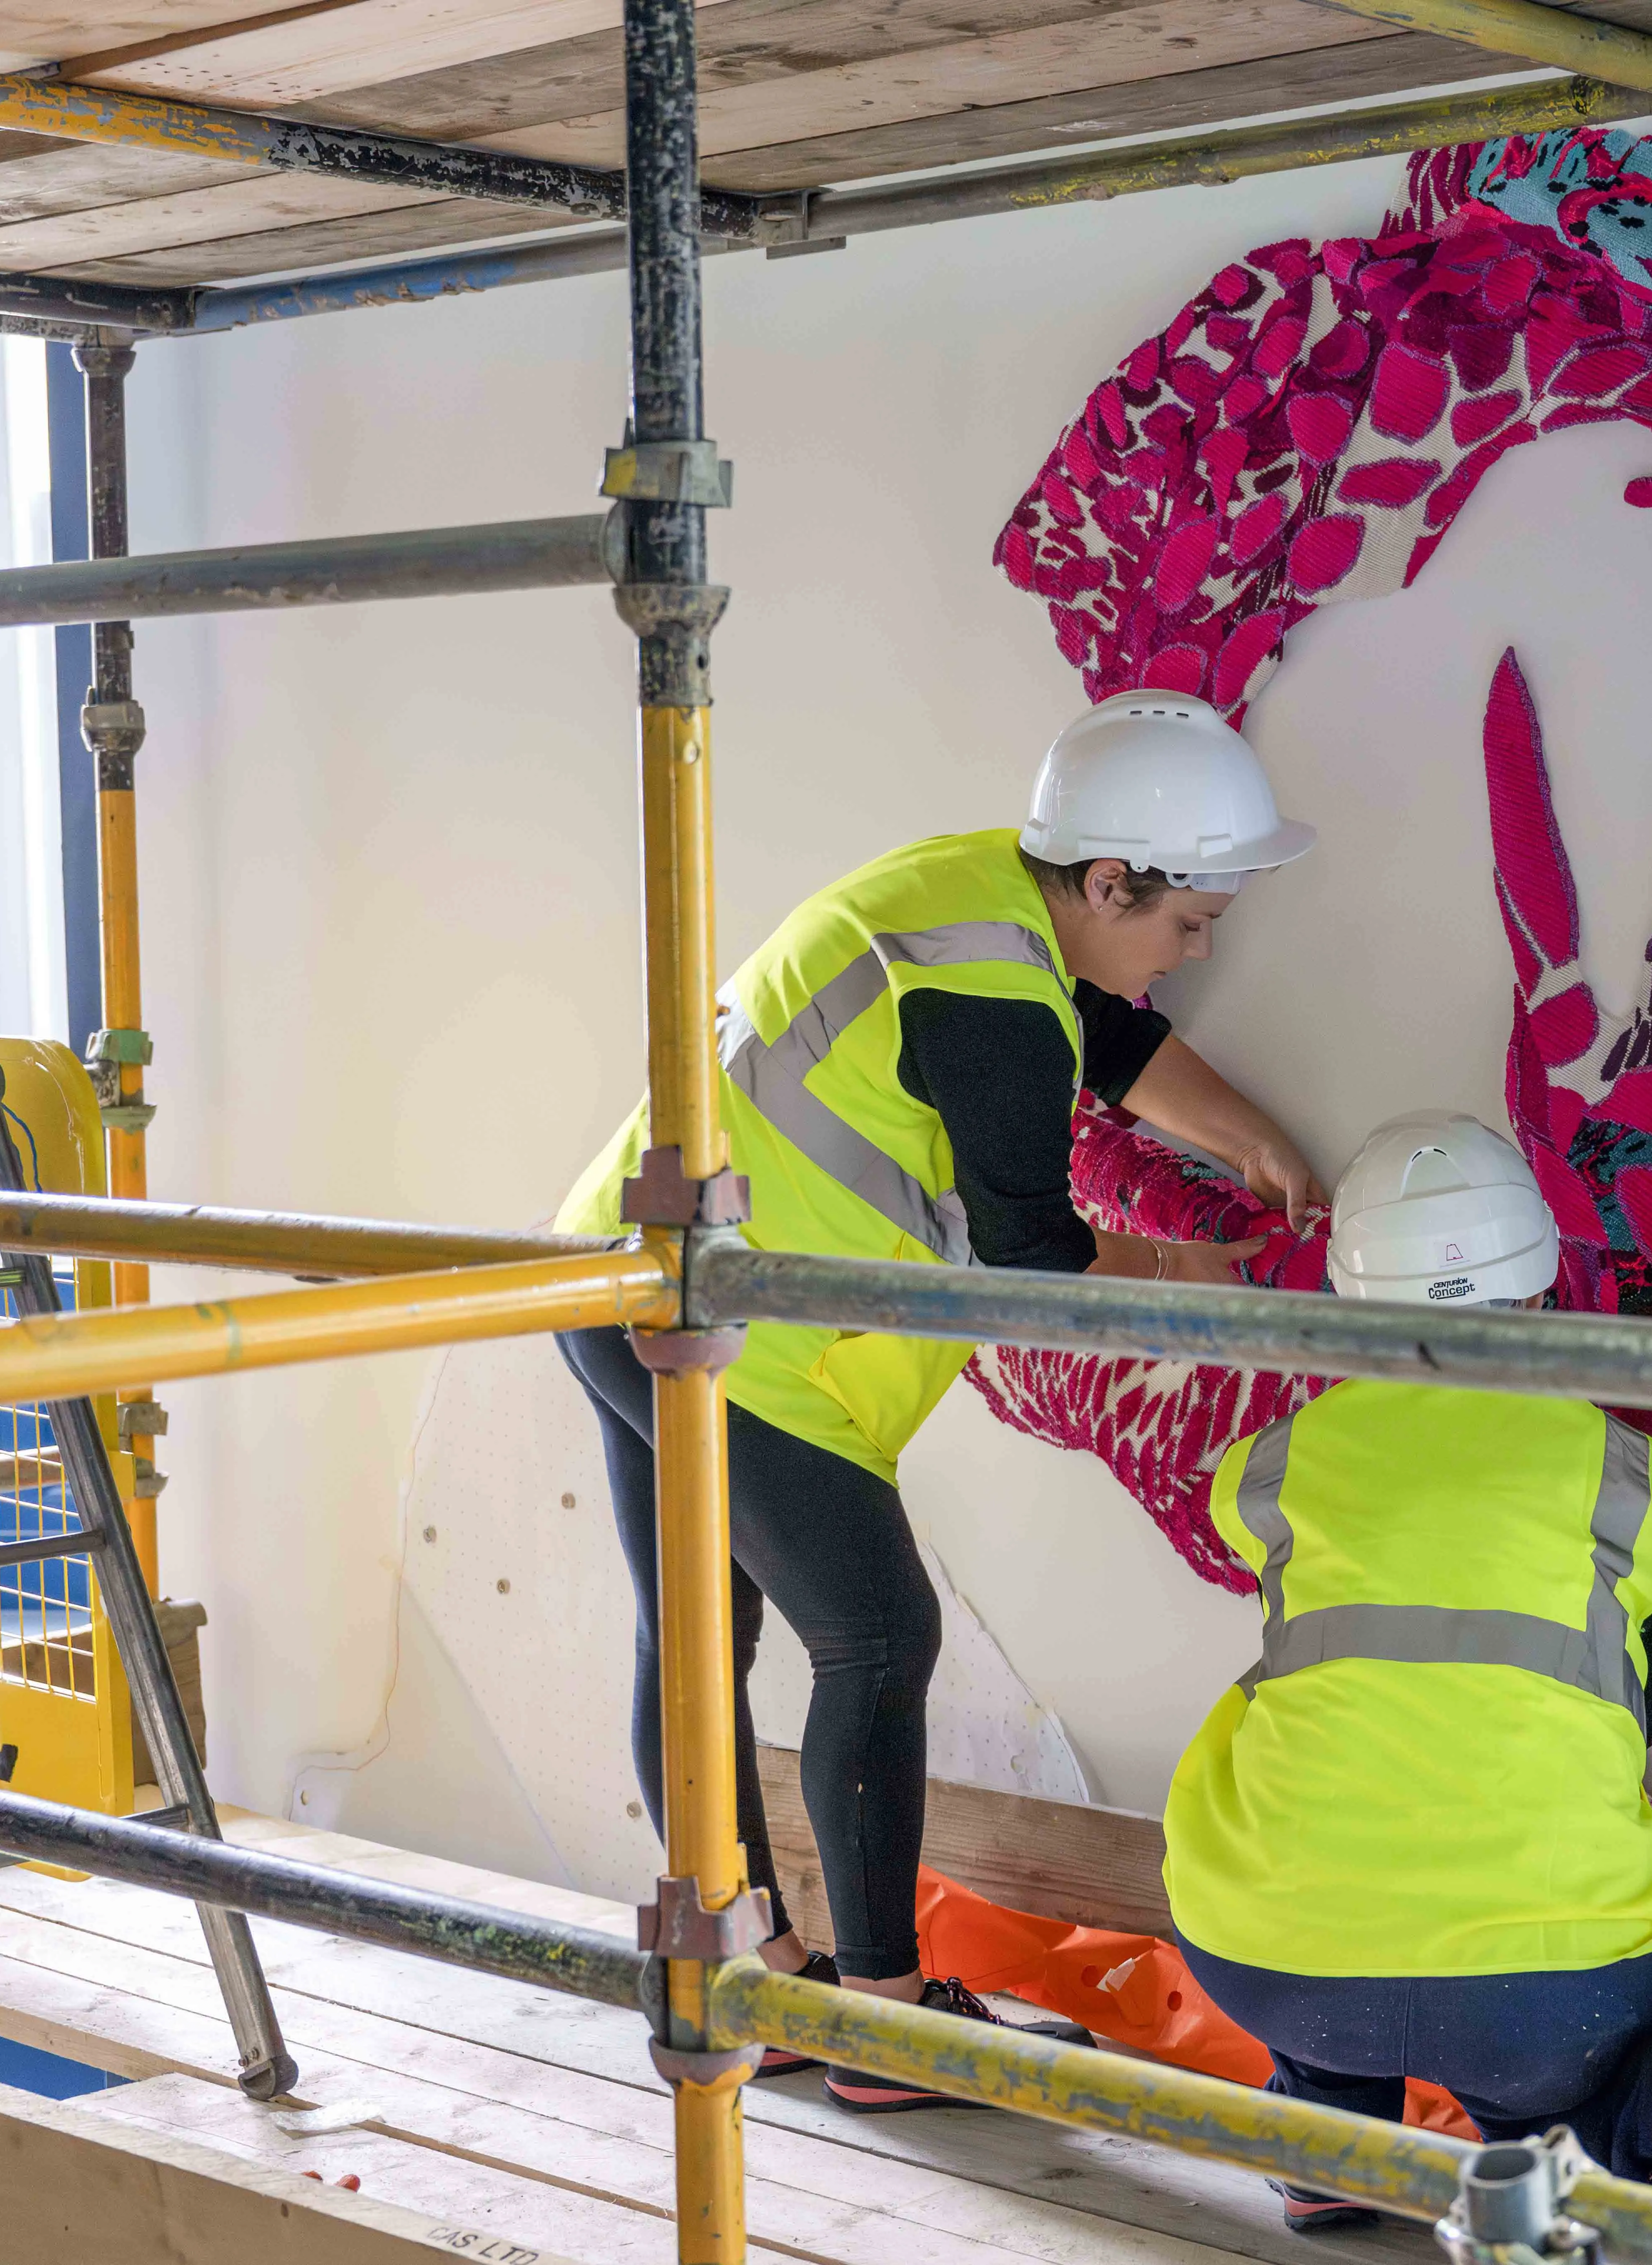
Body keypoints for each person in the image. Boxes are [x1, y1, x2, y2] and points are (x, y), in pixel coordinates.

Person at [554, 690, 1323, 2108]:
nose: (1196, 952)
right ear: (1108, 881)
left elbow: (1097, 1030)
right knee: (879, 1636)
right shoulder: (990, 989)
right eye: (1188, 922)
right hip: (739, 1334)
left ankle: (757, 1980)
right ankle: (887, 2021)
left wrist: (1252, 1136)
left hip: (619, 1278)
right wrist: (1187, 1263)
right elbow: (1032, 1249)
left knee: (697, 1644)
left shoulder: (977, 893)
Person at [1159, 1112, 1652, 2225]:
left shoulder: (1273, 1470)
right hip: (1545, 1989)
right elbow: (1641, 1706)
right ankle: (1638, 2110)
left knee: (1336, 1919)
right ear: (1546, 1289)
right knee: (1539, 2071)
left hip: (1271, 1955)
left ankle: (1324, 2144)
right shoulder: (1634, 1482)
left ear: (1354, 1302)